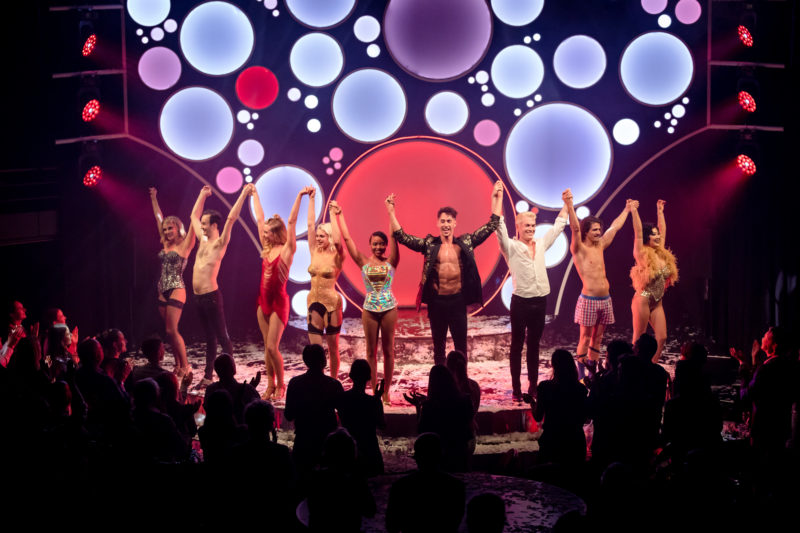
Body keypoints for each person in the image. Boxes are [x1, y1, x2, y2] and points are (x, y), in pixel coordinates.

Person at [387, 182, 502, 365]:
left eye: (449, 221)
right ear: (437, 223)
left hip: (458, 302)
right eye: (443, 221)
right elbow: (402, 237)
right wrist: (391, 212)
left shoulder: (465, 242)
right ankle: (440, 381)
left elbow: (492, 225)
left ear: (455, 223)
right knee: (439, 349)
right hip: (437, 303)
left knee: (461, 348)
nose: (446, 224)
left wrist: (497, 198)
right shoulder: (430, 244)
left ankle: (461, 381)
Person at [496, 187, 569, 401]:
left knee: (534, 346)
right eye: (526, 225)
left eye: (533, 225)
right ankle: (516, 388)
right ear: (518, 227)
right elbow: (499, 226)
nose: (530, 229)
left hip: (540, 302)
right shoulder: (510, 246)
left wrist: (566, 203)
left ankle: (533, 386)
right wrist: (498, 198)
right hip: (520, 303)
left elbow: (558, 226)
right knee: (517, 346)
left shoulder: (541, 243)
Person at [330, 199, 399, 403]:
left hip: (389, 308)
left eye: (381, 243)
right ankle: (374, 390)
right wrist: (340, 215)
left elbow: (394, 236)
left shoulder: (392, 261)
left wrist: (391, 211)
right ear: (370, 245)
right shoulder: (363, 261)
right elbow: (347, 239)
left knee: (388, 351)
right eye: (374, 243)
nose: (378, 246)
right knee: (370, 352)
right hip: (369, 310)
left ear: (386, 245)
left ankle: (386, 391)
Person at [565, 194, 635, 381]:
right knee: (585, 338)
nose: (598, 232)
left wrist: (627, 210)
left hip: (605, 300)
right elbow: (574, 228)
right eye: (595, 230)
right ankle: (581, 376)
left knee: (598, 338)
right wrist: (570, 204)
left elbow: (615, 226)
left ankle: (592, 372)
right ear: (586, 232)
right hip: (589, 300)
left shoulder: (600, 245)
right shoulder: (579, 248)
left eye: (599, 229)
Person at [189, 184, 253, 388]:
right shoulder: (202, 241)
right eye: (202, 224)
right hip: (198, 298)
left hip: (212, 297)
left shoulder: (220, 243)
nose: (202, 226)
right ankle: (208, 376)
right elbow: (193, 216)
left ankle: (229, 377)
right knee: (210, 338)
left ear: (214, 225)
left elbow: (232, 218)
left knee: (222, 337)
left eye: (205, 224)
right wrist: (202, 195)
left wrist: (243, 193)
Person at [252, 185, 307, 398]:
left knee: (272, 347)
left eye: (267, 233)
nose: (264, 235)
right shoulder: (266, 248)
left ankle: (281, 385)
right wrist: (255, 194)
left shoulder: (287, 250)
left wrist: (299, 196)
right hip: (263, 302)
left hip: (278, 303)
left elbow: (291, 222)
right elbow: (260, 219)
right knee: (267, 347)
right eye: (264, 232)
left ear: (276, 234)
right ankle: (270, 384)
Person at [148, 187, 197, 389]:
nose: (167, 231)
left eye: (171, 228)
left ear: (178, 229)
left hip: (177, 287)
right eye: (166, 229)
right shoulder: (165, 243)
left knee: (172, 329)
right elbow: (158, 217)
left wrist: (201, 197)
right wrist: (153, 198)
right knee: (168, 333)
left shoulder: (185, 245)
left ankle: (186, 366)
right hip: (162, 290)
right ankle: (177, 365)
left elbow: (194, 222)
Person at [284, 344, 344, 480]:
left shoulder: (295, 383)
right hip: (328, 443)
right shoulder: (334, 384)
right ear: (324, 361)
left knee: (302, 481)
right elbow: (344, 414)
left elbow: (288, 415)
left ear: (305, 361)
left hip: (303, 441)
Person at [630, 199, 679, 363]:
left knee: (662, 337)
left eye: (657, 234)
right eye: (653, 234)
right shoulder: (641, 253)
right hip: (643, 299)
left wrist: (660, 212)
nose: (658, 236)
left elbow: (663, 230)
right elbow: (638, 231)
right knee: (639, 338)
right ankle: (633, 367)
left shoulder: (660, 252)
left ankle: (652, 365)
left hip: (657, 302)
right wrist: (634, 211)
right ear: (646, 237)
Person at [306, 188, 345, 378]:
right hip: (313, 303)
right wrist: (312, 199)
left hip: (331, 306)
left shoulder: (337, 256)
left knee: (333, 348)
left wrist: (332, 214)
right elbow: (310, 225)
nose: (318, 238)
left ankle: (333, 381)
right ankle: (317, 381)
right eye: (318, 236)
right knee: (315, 352)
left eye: (322, 236)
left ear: (329, 236)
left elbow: (338, 241)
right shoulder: (314, 251)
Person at [532, 349, 588, 466]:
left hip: (552, 439)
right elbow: (585, 418)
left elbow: (538, 417)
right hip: (575, 440)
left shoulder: (545, 387)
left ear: (553, 365)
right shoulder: (580, 389)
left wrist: (532, 402)